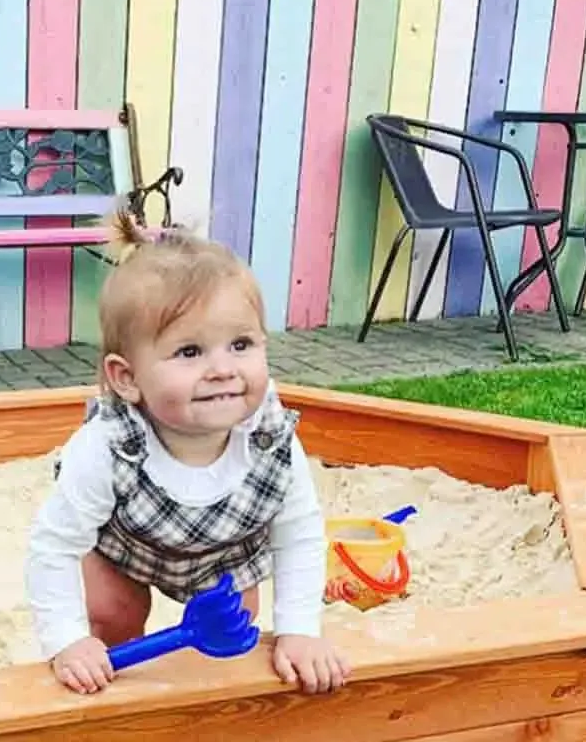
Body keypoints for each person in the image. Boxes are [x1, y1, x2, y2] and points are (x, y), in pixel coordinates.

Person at [24, 209, 350, 697]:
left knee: (233, 631)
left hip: (225, 557)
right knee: (111, 615)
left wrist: (299, 630)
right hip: (126, 551)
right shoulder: (108, 445)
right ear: (127, 378)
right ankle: (115, 685)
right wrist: (67, 641)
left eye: (240, 344)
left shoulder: (269, 436)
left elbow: (298, 533)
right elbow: (54, 544)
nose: (222, 369)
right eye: (190, 352)